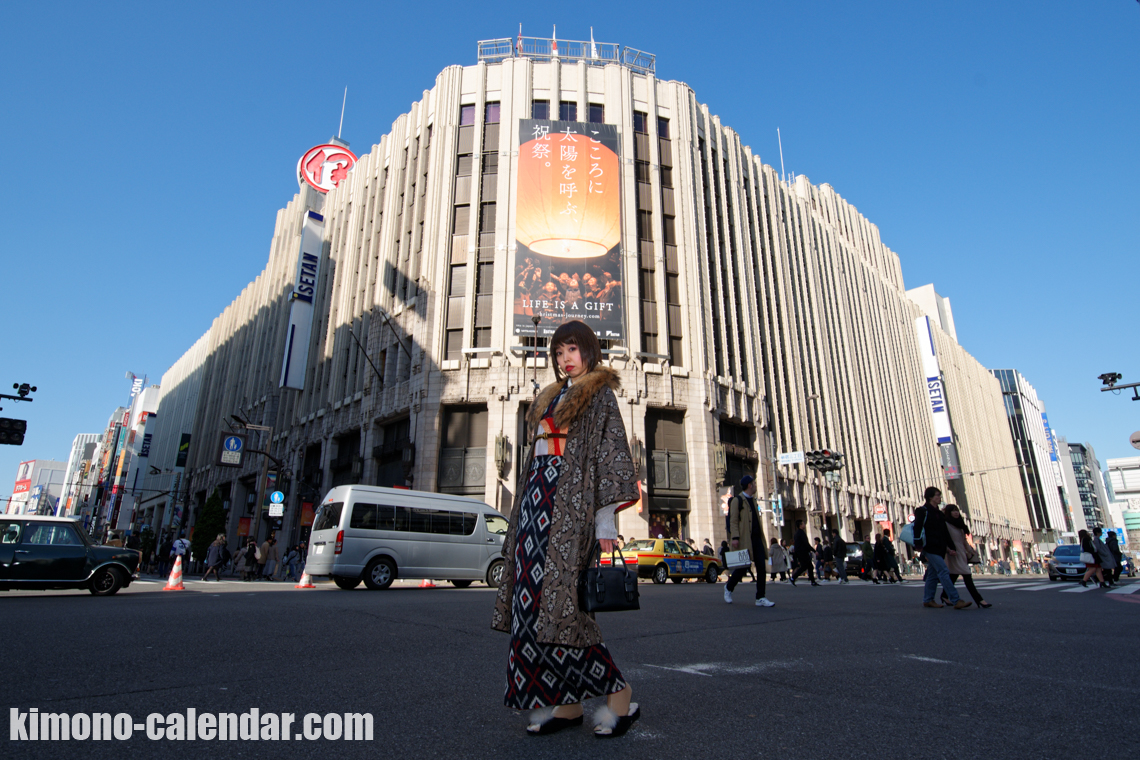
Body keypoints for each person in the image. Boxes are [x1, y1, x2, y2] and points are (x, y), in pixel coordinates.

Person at [490, 320, 642, 738]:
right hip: (534, 507)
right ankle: (567, 703)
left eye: (572, 350)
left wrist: (605, 519)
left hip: (570, 511)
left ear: (589, 352)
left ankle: (620, 696)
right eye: (559, 353)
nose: (565, 359)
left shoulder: (599, 395)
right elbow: (532, 461)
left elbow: (609, 459)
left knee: (563, 607)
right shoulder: (548, 396)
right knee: (530, 604)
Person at [913, 486, 970, 609]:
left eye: (939, 495)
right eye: (937, 495)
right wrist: (918, 545)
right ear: (930, 497)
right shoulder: (923, 511)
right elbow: (917, 528)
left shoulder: (939, 513)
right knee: (943, 571)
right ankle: (956, 600)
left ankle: (928, 599)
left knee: (933, 574)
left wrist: (950, 547)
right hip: (929, 547)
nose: (939, 498)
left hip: (940, 547)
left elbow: (944, 532)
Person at [723, 475, 775, 607]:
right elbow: (733, 520)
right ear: (750, 485)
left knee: (761, 568)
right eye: (754, 483)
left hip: (757, 539)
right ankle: (728, 588)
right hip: (745, 539)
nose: (756, 485)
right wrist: (734, 538)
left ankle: (760, 597)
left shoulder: (754, 500)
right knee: (742, 568)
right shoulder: (738, 500)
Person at [940, 505, 990, 609]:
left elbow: (964, 541)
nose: (956, 513)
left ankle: (944, 595)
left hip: (961, 553)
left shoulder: (960, 525)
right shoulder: (945, 524)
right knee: (967, 575)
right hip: (953, 553)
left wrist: (971, 551)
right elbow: (943, 539)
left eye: (957, 510)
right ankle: (979, 599)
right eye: (953, 511)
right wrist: (948, 550)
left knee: (953, 576)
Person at [790, 520, 818, 586]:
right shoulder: (801, 533)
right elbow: (806, 543)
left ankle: (812, 581)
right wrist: (814, 551)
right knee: (805, 566)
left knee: (809, 566)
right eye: (803, 523)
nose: (804, 525)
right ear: (800, 525)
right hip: (803, 552)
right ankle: (793, 578)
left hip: (800, 552)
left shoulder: (796, 533)